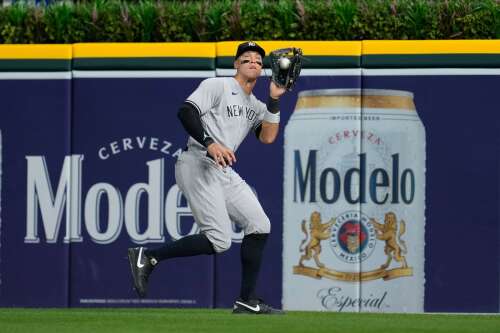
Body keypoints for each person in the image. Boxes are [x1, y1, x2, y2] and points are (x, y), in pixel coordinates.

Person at [128, 41, 286, 315]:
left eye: (259, 61)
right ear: (236, 64)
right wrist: (210, 142)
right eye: (246, 58)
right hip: (198, 160)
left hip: (222, 170)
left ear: (262, 71)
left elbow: (268, 137)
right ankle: (150, 256)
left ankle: (247, 300)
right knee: (220, 241)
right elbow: (185, 111)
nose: (253, 62)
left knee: (259, 224)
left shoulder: (257, 105)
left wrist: (274, 98)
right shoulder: (218, 86)